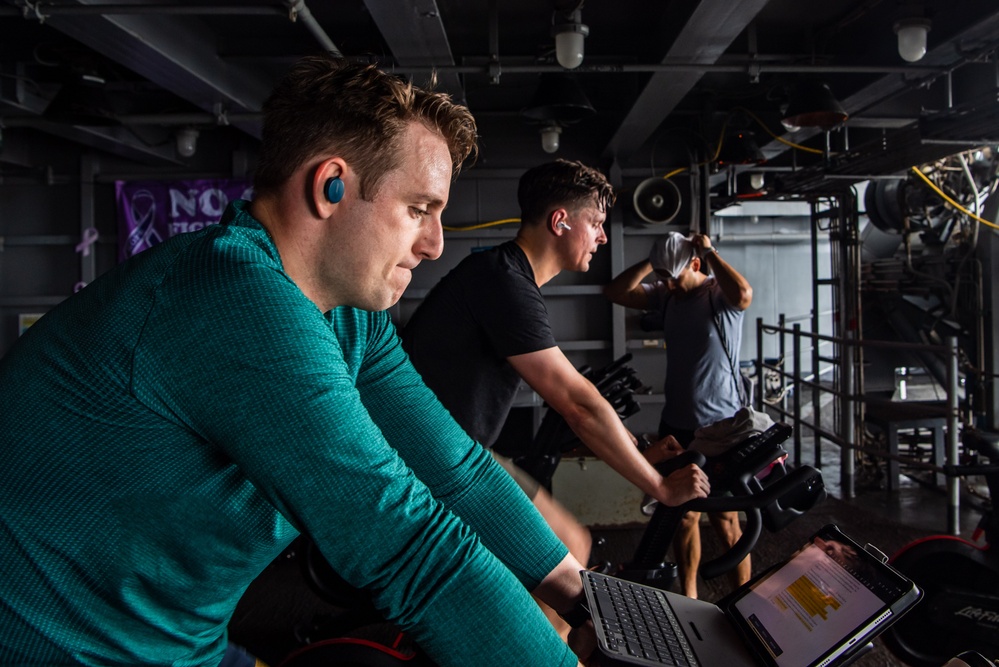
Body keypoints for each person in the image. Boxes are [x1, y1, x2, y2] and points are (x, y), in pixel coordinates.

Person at [0, 57, 594, 667]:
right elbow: (411, 546)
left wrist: (587, 600)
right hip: (54, 645)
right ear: (330, 185)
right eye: (419, 209)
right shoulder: (229, 297)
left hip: (183, 643)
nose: (435, 243)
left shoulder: (348, 315)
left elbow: (454, 470)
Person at [401, 160, 711, 631]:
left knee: (573, 547)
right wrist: (660, 487)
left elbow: (578, 402)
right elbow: (578, 404)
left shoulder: (506, 276)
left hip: (461, 452)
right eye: (597, 224)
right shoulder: (503, 281)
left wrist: (640, 454)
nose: (603, 238)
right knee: (567, 571)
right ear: (560, 221)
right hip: (433, 466)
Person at [604, 231, 754, 599]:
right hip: (677, 423)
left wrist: (710, 251)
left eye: (674, 275)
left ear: (696, 265)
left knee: (726, 519)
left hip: (720, 427)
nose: (668, 284)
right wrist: (653, 263)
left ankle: (744, 603)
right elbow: (615, 292)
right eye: (663, 277)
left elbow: (745, 295)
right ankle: (691, 600)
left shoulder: (718, 294)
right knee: (683, 515)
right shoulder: (666, 295)